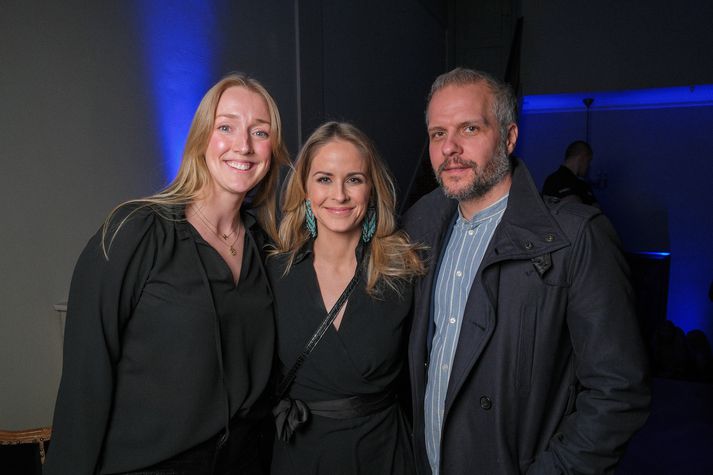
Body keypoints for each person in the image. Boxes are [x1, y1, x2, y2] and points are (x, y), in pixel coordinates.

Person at [403, 68, 650, 474]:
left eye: (469, 128)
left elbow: (618, 391)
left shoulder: (576, 236)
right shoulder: (419, 226)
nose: (449, 148)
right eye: (437, 133)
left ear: (509, 137)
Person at [44, 73, 290, 474]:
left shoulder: (267, 251)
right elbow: (84, 382)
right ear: (202, 137)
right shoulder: (135, 232)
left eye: (259, 132)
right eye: (226, 127)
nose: (243, 145)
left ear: (272, 149)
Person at [268, 122, 424, 474]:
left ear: (372, 189)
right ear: (305, 189)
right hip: (300, 456)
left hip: (382, 455)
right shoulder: (275, 273)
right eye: (324, 179)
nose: (339, 195)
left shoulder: (403, 272)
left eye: (354, 179)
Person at [542, 140, 598, 205]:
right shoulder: (555, 180)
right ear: (583, 158)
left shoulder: (552, 179)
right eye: (588, 161)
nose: (588, 166)